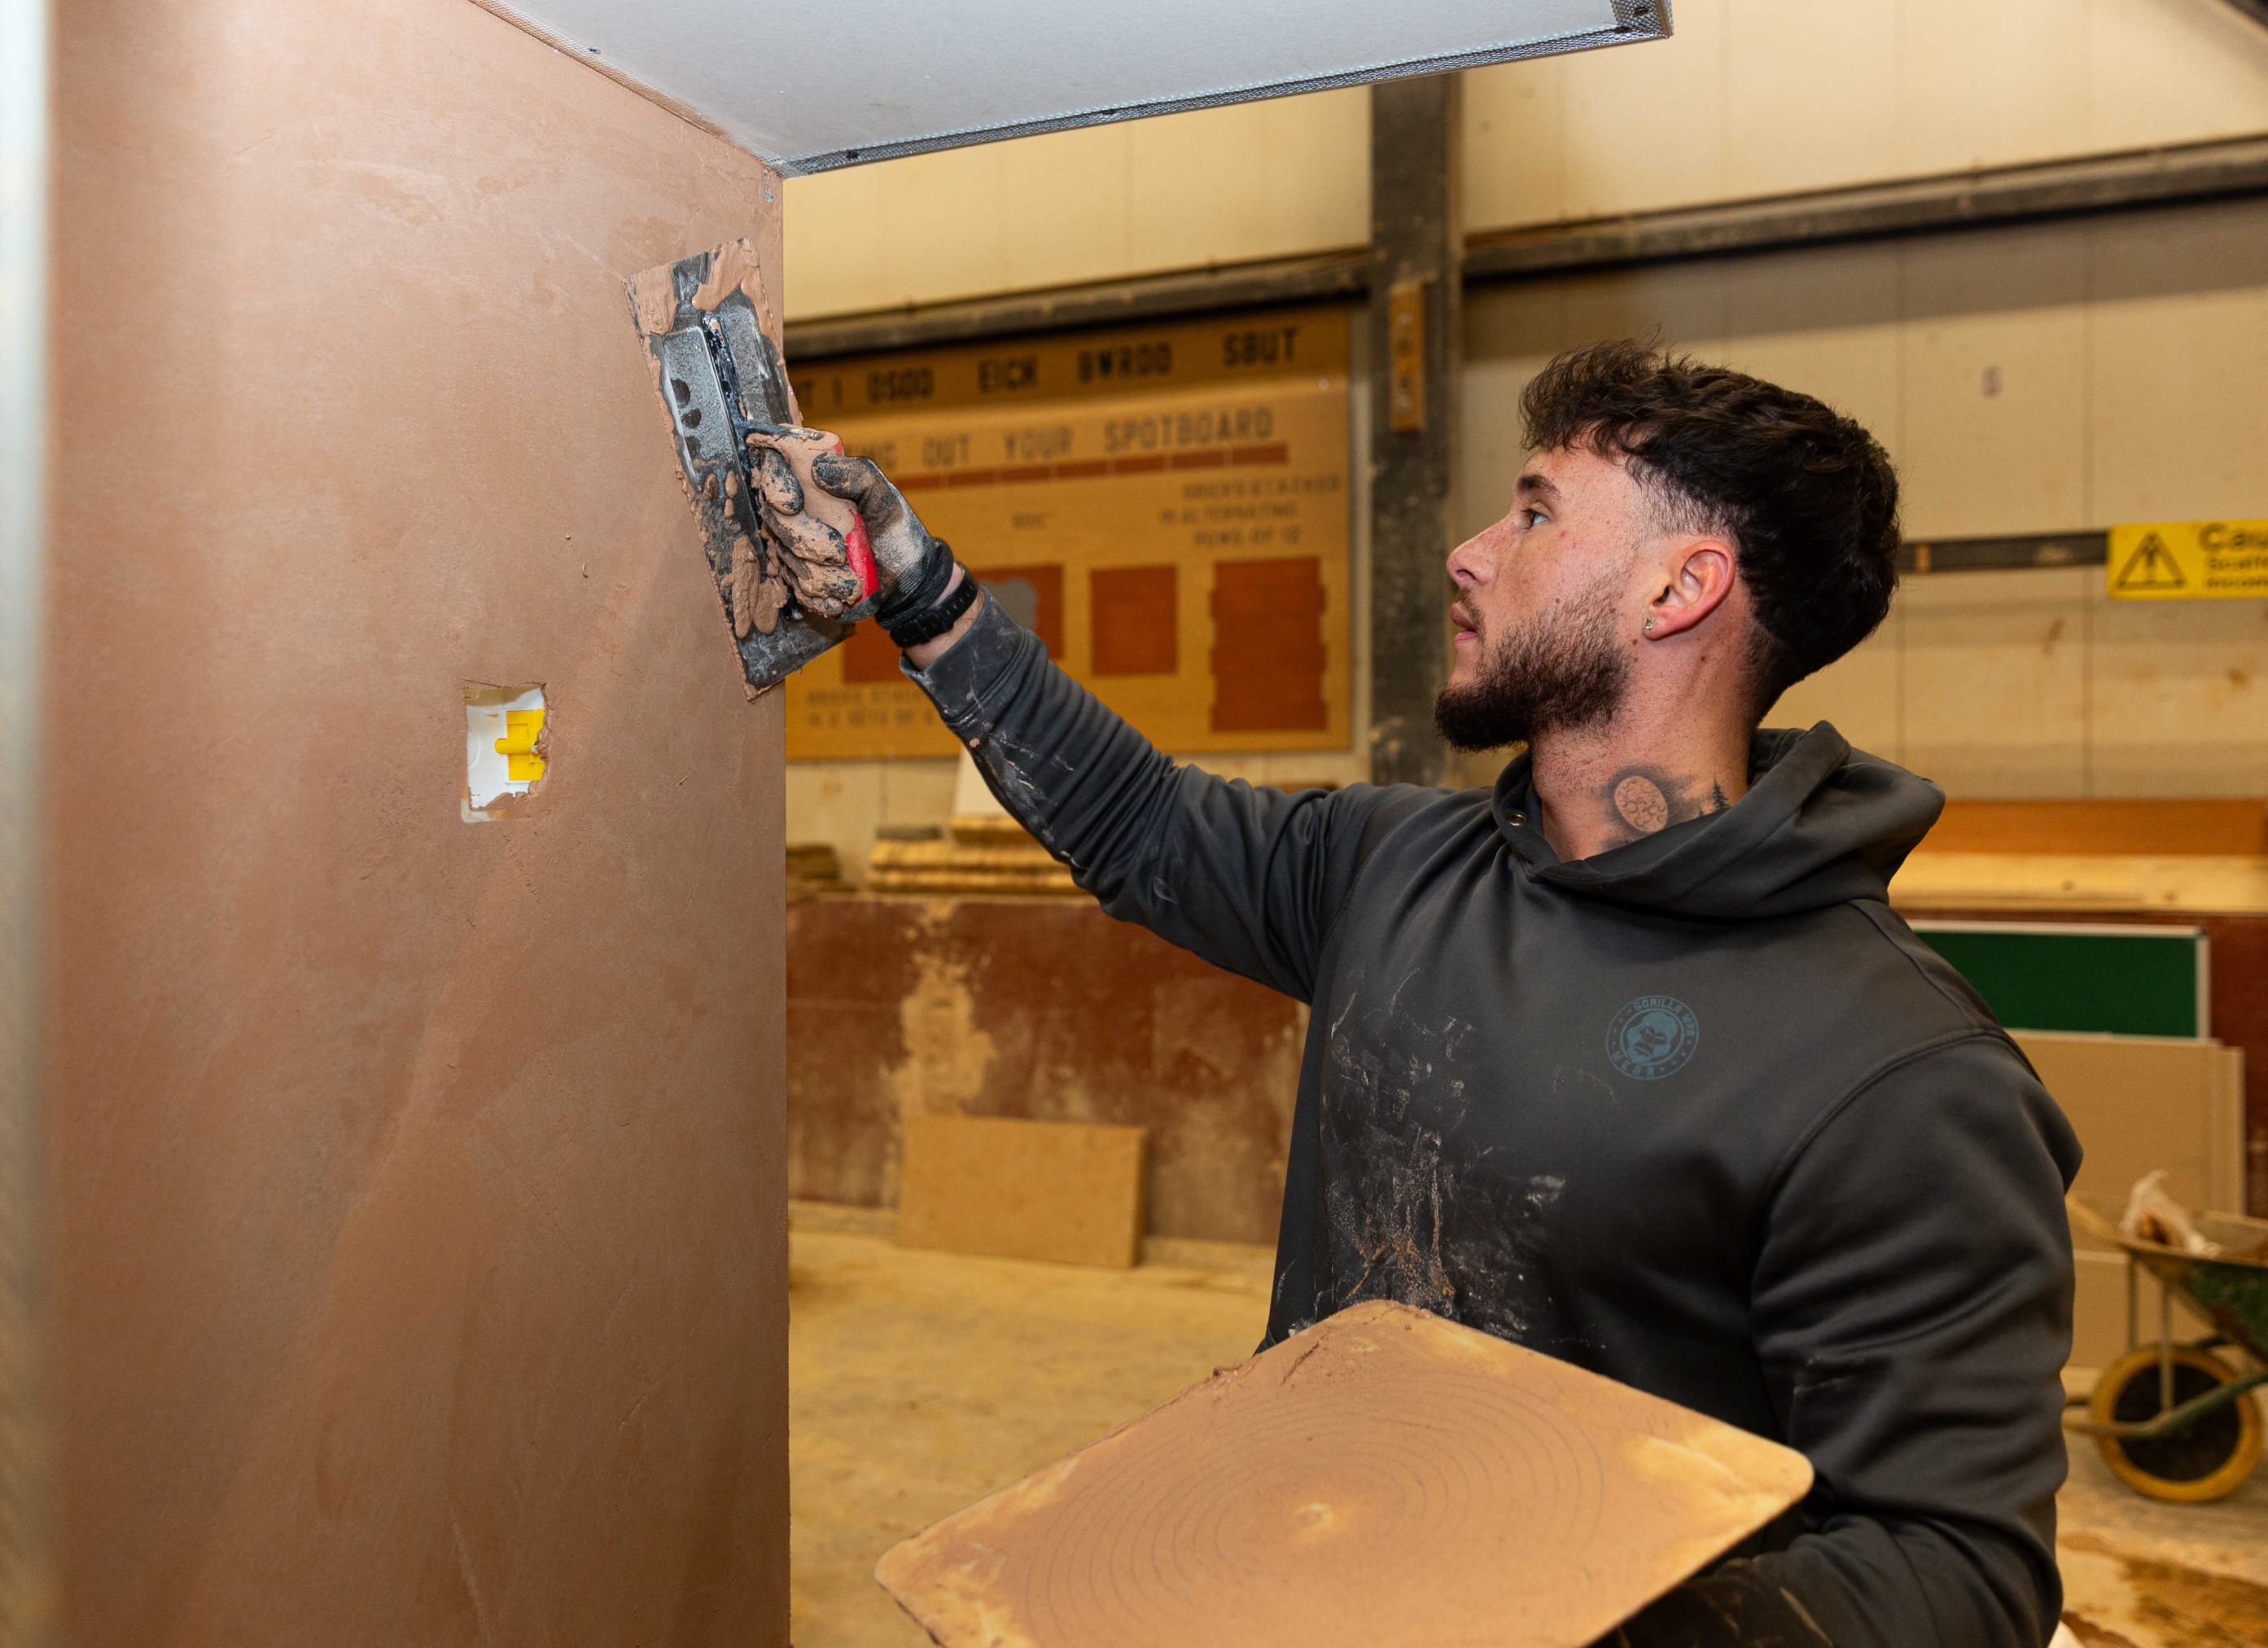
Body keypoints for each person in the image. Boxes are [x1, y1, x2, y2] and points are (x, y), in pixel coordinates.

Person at [750, 339, 2081, 1646]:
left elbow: (1955, 1574)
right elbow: (1140, 822)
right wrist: (920, 595)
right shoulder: (1399, 865)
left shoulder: (1895, 1074)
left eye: (1536, 512)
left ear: (1679, 588)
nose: (1468, 549)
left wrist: (1540, 1613)